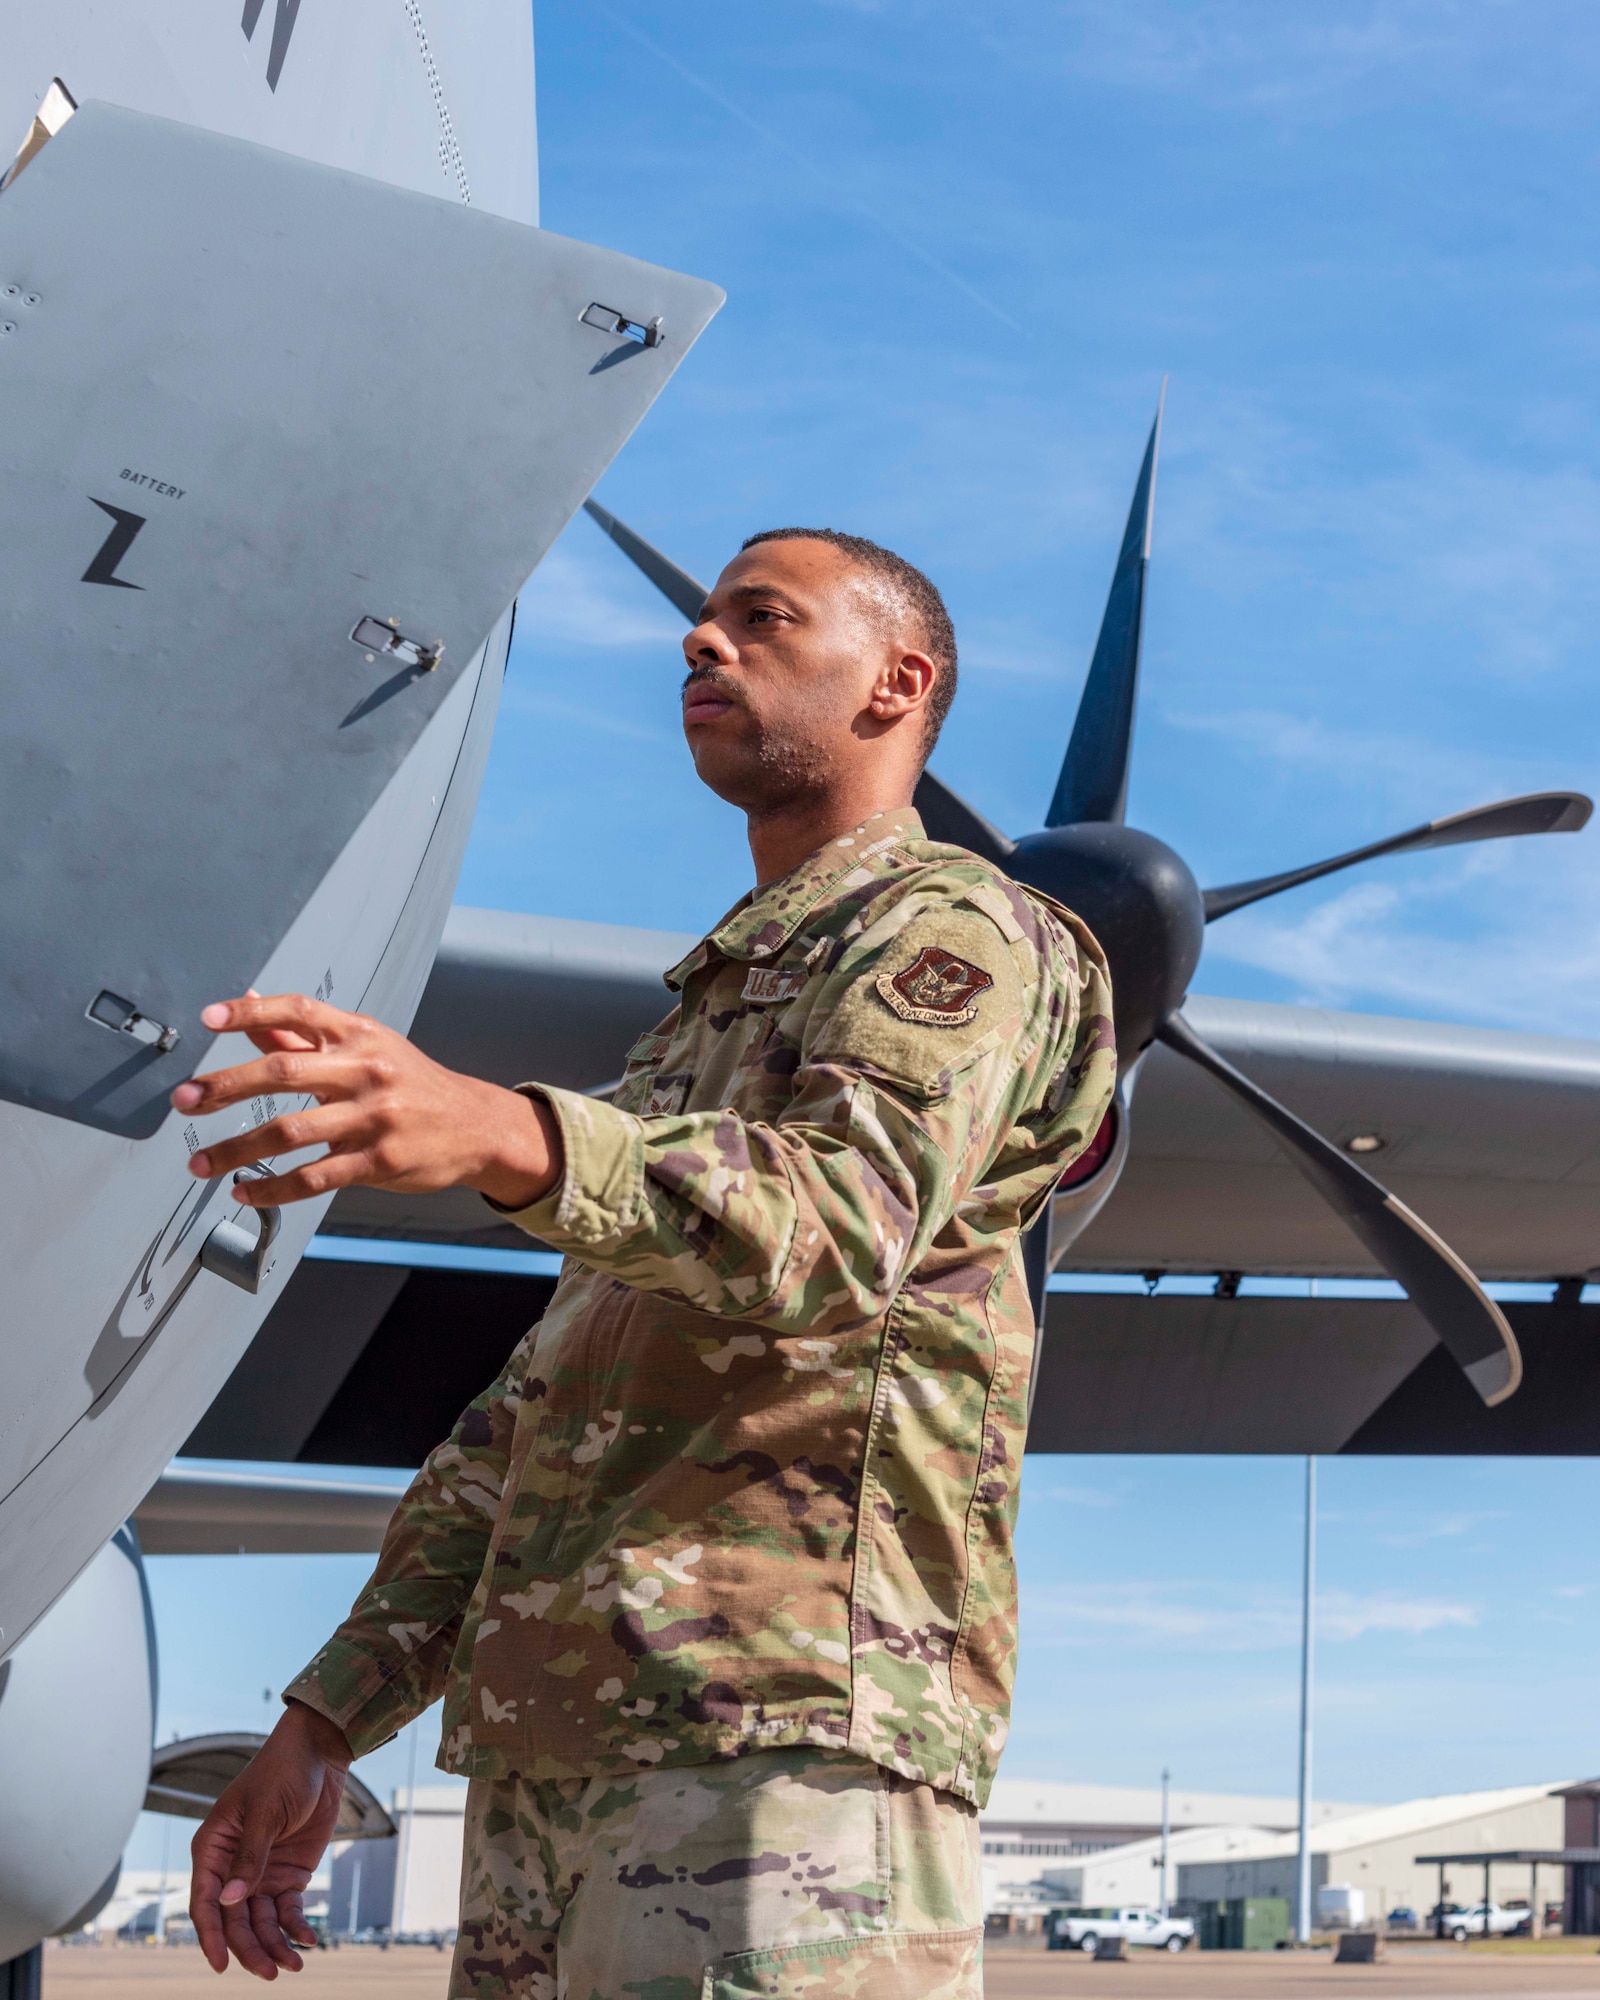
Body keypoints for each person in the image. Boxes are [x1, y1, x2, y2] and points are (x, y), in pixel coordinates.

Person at [184, 527, 1115, 1998]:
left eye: (761, 618)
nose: (701, 641)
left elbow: (835, 1227)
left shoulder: (962, 932)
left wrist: (506, 1132)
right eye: (699, 621)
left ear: (897, 684)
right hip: (556, 1754)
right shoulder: (697, 1026)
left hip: (779, 1742)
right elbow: (534, 1418)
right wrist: (324, 1716)